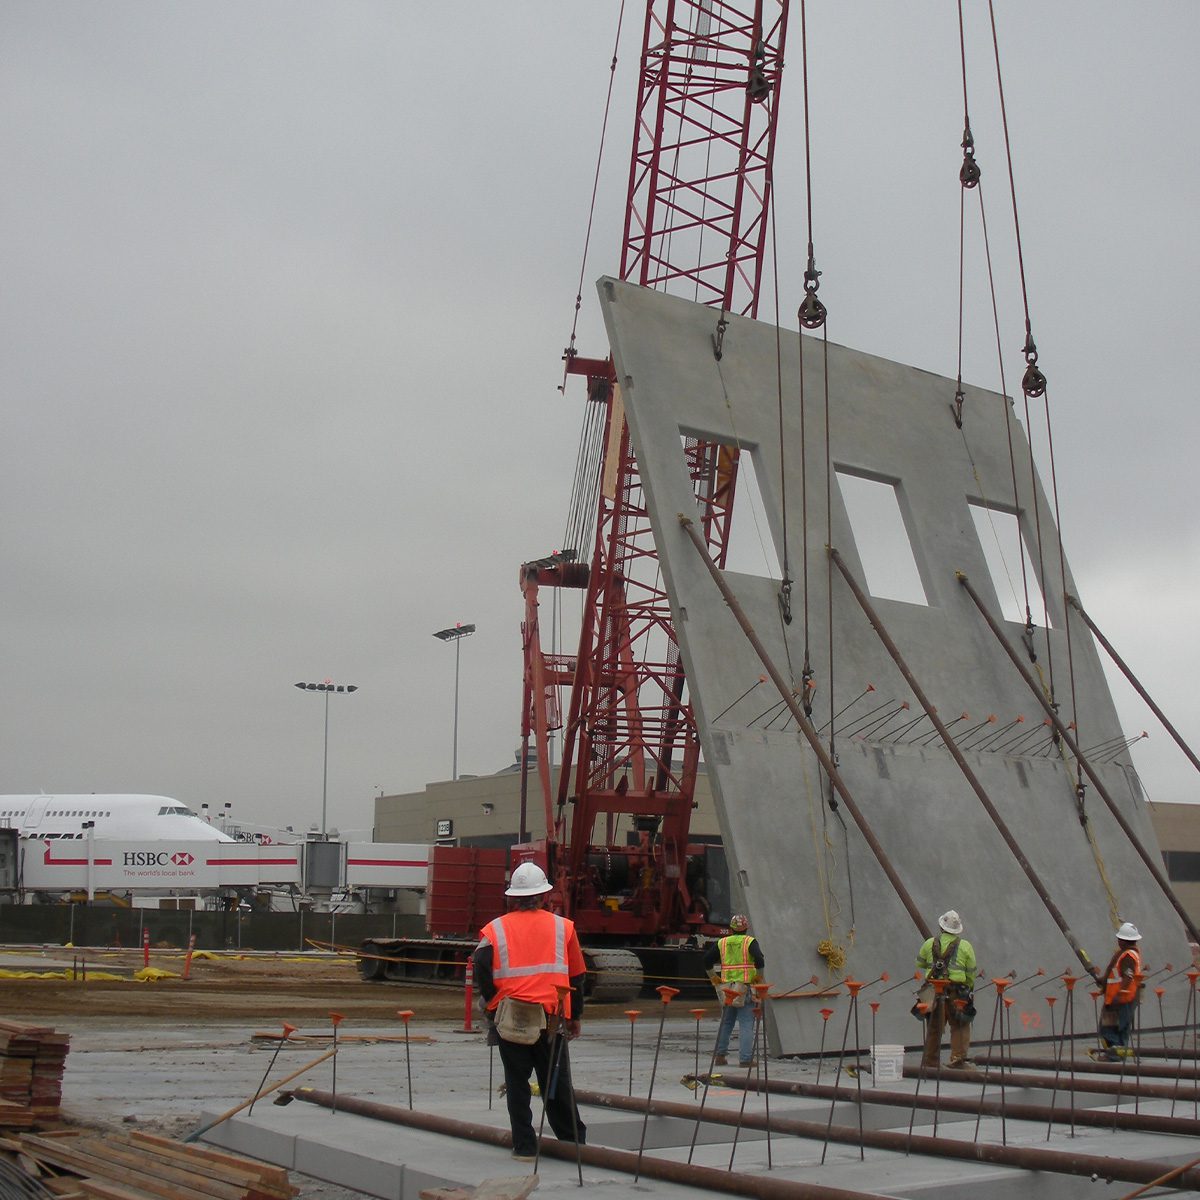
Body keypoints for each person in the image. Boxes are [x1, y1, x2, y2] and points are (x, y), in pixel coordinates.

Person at [473, 862, 587, 1162]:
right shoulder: (564, 927)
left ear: (513, 898)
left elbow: (481, 966)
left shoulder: (495, 929)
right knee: (556, 1082)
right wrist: (575, 1016)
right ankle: (572, 1142)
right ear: (544, 895)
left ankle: (524, 1146)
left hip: (511, 1017)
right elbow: (577, 976)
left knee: (516, 1082)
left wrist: (494, 1001)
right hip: (552, 1017)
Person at [915, 909, 977, 1069]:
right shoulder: (965, 946)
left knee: (934, 1026)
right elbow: (971, 972)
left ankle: (930, 1061)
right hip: (956, 990)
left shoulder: (929, 943)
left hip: (931, 990)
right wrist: (969, 989)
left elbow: (920, 963)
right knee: (960, 1025)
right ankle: (958, 1059)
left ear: (941, 927)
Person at [703, 913, 765, 1068]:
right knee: (746, 1023)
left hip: (727, 989)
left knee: (726, 1022)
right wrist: (758, 978)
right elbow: (759, 959)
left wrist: (714, 978)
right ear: (746, 928)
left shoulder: (722, 943)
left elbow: (706, 960)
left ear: (731, 928)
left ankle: (720, 1056)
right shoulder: (749, 942)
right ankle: (745, 1059)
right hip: (744, 988)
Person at [1091, 921, 1143, 1062]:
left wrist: (1119, 995)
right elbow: (1118, 974)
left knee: (1109, 1028)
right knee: (1121, 1028)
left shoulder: (1128, 956)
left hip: (1120, 999)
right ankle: (1120, 1053)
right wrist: (1104, 980)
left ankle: (1114, 1055)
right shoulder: (1126, 954)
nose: (1118, 941)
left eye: (1120, 939)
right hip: (1124, 998)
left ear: (1126, 941)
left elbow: (1127, 976)